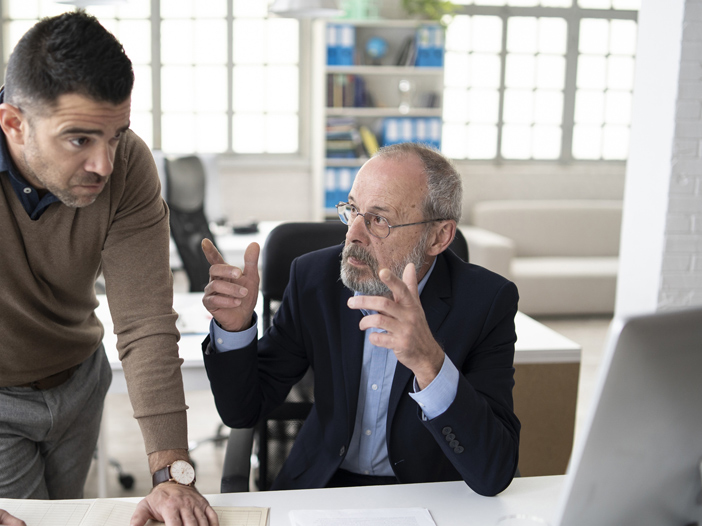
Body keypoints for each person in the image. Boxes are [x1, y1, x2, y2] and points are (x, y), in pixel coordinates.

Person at [0, 11, 219, 526]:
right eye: (79, 138)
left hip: (79, 383)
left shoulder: (127, 165)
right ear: (14, 123)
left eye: (116, 135)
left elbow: (146, 325)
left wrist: (171, 477)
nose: (104, 164)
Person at [200, 142, 520, 495]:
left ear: (439, 236)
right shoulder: (314, 279)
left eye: (379, 219)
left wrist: (430, 364)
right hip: (321, 484)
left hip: (426, 495)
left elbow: (494, 471)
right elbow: (243, 411)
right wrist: (234, 329)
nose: (353, 233)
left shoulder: (486, 302)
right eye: (352, 210)